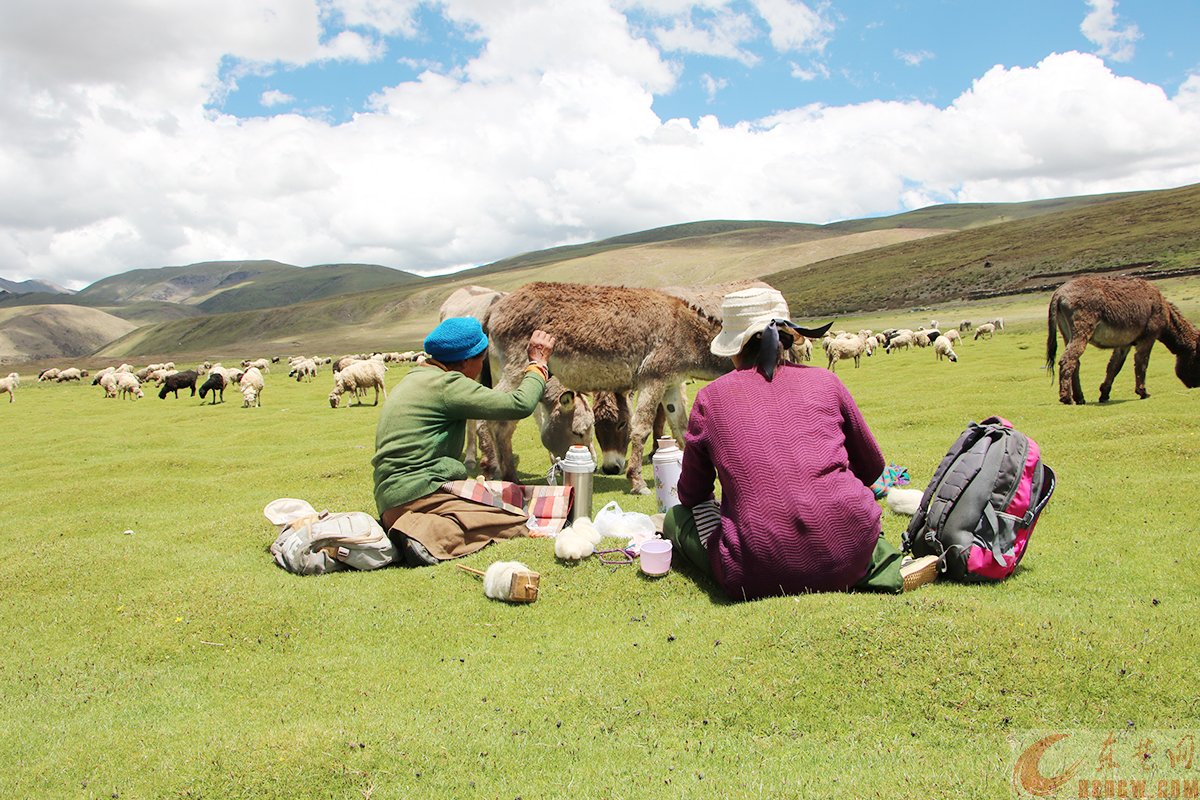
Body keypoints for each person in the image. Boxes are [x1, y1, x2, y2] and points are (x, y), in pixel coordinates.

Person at [662, 287, 937, 600]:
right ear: (787, 339)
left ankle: (790, 562)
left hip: (753, 569)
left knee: (676, 519)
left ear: (734, 348)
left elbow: (692, 494)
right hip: (850, 545)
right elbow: (873, 467)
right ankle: (881, 565)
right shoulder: (826, 381)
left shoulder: (711, 398)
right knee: (849, 521)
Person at [373, 316, 556, 566]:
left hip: (391, 498)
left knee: (504, 493)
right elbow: (520, 404)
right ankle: (426, 536)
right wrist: (538, 365)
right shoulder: (448, 385)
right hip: (416, 495)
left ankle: (414, 526)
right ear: (467, 360)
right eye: (480, 361)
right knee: (513, 518)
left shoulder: (415, 378)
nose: (480, 369)